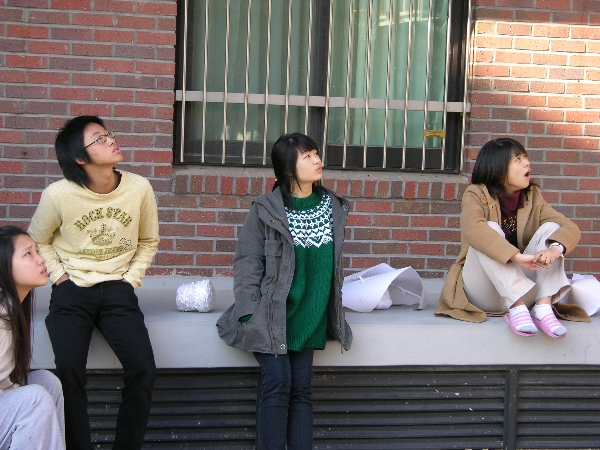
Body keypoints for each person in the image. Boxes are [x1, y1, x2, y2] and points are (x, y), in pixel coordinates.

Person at [29, 116, 159, 449]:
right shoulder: (58, 195)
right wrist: (60, 277)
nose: (111, 140)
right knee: (69, 372)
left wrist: (130, 279)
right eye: (99, 139)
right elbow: (38, 239)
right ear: (79, 157)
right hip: (72, 290)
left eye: (108, 134)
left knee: (143, 369)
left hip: (118, 288)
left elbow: (148, 240)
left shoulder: (139, 188)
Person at [217, 133, 352, 449]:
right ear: (288, 167)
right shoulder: (266, 209)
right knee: (278, 384)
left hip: (310, 315)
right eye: (307, 156)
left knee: (301, 390)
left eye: (316, 153)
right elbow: (247, 261)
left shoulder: (333, 206)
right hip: (271, 314)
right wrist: (249, 312)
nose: (317, 160)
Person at [436, 138, 589, 337]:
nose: (527, 163)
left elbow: (569, 227)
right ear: (498, 168)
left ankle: (542, 308)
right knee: (488, 229)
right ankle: (516, 309)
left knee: (552, 229)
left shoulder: (532, 196)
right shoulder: (475, 194)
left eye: (525, 157)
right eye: (518, 159)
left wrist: (555, 249)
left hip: (525, 291)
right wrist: (516, 257)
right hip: (483, 292)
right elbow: (473, 229)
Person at [0, 225, 65, 450]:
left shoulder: (12, 308)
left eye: (37, 251)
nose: (40, 260)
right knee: (35, 399)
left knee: (47, 382)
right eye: (28, 254)